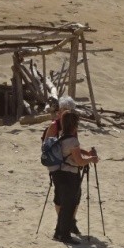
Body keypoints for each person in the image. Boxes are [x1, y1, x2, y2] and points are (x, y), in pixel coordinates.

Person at [50, 111, 98, 244]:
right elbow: (79, 161)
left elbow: (72, 152)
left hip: (58, 174)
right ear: (74, 125)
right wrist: (91, 159)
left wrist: (85, 154)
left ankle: (58, 232)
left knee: (64, 205)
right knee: (69, 206)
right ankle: (64, 235)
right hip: (69, 176)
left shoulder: (61, 137)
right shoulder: (72, 140)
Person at [43, 96, 80, 236]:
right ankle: (62, 224)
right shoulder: (55, 126)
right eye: (65, 110)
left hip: (71, 165)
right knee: (60, 196)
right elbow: (47, 146)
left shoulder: (71, 126)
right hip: (58, 167)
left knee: (76, 196)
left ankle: (71, 222)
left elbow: (74, 145)